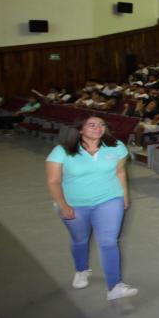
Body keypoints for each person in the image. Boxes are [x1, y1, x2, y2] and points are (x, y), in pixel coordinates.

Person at [45, 116, 137, 300]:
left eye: (102, 124)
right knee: (80, 240)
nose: (98, 128)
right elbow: (53, 181)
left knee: (109, 242)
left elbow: (120, 172)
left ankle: (115, 286)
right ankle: (81, 269)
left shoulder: (115, 146)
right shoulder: (62, 151)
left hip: (110, 199)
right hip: (75, 203)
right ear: (80, 129)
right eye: (92, 125)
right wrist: (63, 205)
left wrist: (124, 196)